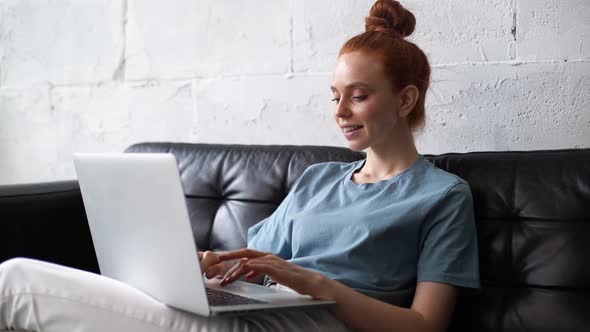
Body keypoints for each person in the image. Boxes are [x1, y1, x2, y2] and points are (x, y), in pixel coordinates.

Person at [0, 1, 479, 331]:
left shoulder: (441, 196)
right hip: (254, 315)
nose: (340, 112)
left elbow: (424, 325)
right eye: (335, 97)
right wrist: (207, 268)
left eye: (359, 96)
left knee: (17, 281)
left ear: (406, 98)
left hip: (313, 323)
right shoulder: (319, 180)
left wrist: (311, 282)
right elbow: (254, 263)